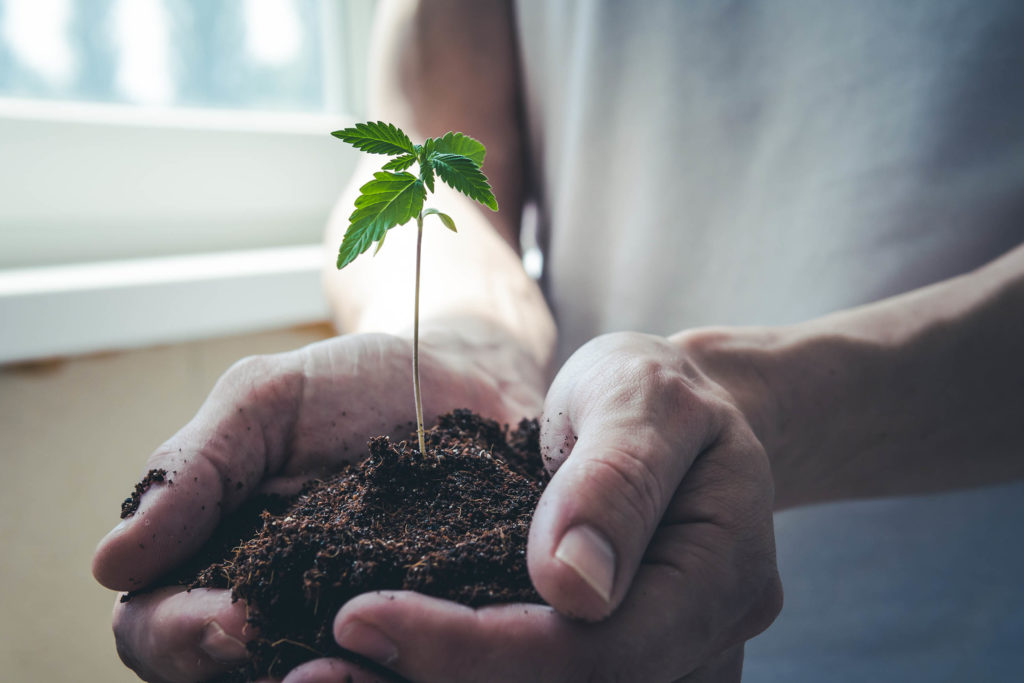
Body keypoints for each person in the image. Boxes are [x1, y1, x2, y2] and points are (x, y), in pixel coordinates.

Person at [93, 1, 1024, 681]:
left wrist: (745, 408)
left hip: (946, 622)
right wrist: (472, 339)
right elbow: (429, 137)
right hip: (558, 493)